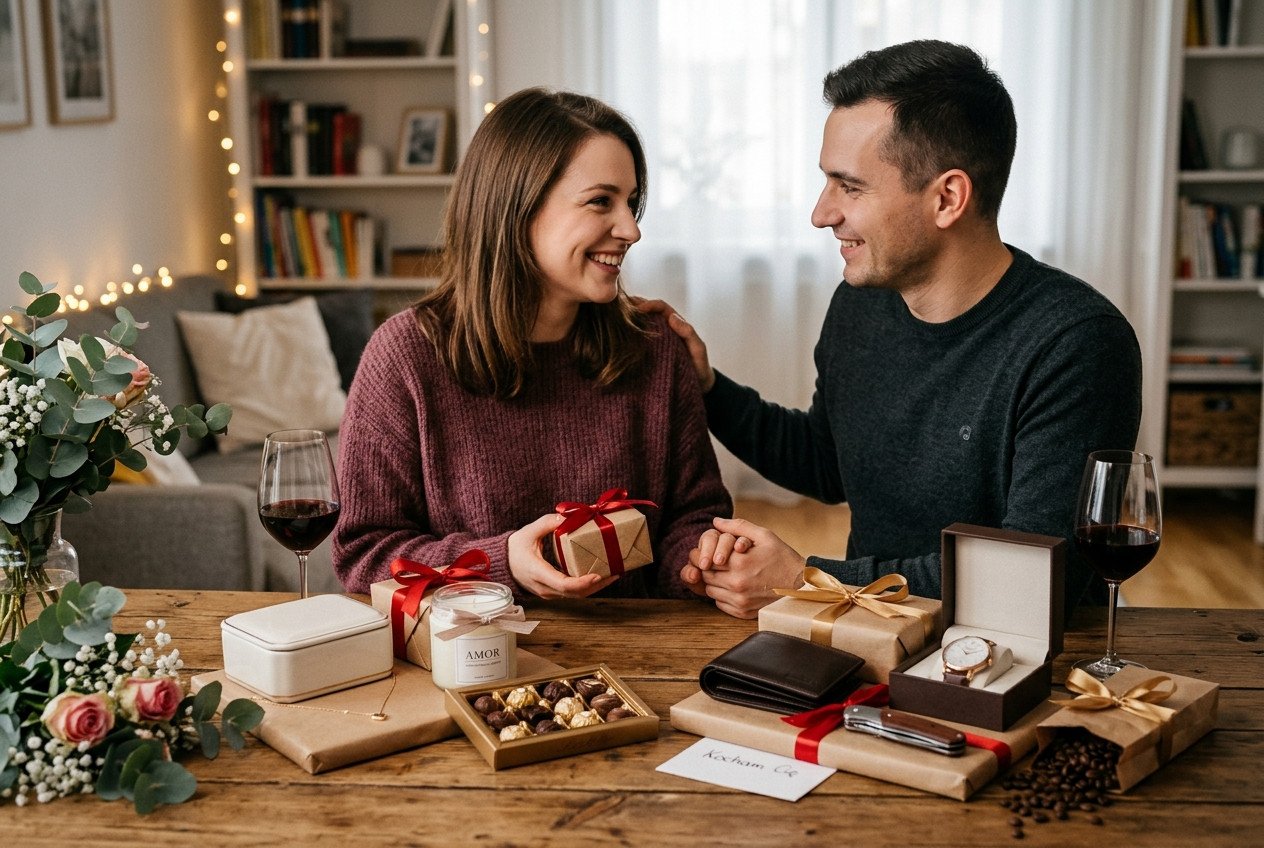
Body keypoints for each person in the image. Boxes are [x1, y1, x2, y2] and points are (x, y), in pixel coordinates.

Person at [648, 40, 1142, 619]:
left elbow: (1032, 577)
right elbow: (829, 463)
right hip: (871, 639)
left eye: (850, 186)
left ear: (947, 198)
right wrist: (707, 388)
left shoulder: (1077, 344)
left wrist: (808, 581)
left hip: (1024, 666)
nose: (821, 212)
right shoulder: (860, 305)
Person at [333, 87, 731, 600]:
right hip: (474, 661)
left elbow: (694, 517)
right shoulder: (405, 356)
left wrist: (703, 561)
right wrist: (502, 565)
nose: (631, 229)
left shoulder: (656, 347)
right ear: (516, 208)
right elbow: (365, 554)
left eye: (631, 203)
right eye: (600, 202)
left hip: (637, 658)